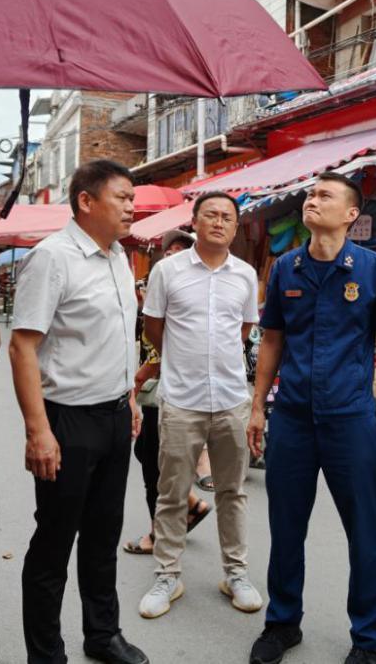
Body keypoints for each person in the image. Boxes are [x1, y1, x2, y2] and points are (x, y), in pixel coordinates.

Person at [247, 172, 376, 664]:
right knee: (286, 525)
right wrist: (257, 407)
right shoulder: (286, 268)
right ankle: (282, 622)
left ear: (351, 214)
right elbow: (271, 340)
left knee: (367, 533)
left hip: (350, 417)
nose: (311, 201)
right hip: (291, 417)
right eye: (309, 195)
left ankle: (370, 639)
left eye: (323, 196)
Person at [10, 159, 148, 664]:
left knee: (103, 536)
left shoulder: (117, 257)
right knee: (53, 544)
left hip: (114, 418)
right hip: (67, 421)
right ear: (86, 201)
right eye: (123, 197)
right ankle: (46, 654)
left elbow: (116, 340)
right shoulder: (53, 258)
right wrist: (38, 432)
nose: (132, 207)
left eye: (134, 199)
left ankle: (102, 634)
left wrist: (130, 400)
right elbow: (22, 348)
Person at [139, 193, 262, 618]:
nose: (218, 221)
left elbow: (244, 330)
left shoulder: (245, 275)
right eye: (210, 214)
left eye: (227, 217)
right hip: (182, 400)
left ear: (235, 227)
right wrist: (179, 362)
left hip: (230, 400)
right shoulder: (167, 271)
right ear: (194, 221)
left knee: (232, 491)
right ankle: (168, 574)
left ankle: (236, 573)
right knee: (171, 491)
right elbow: (154, 327)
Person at [124, 229, 211, 557]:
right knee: (150, 455)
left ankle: (160, 533)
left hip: (175, 390)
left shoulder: (196, 292)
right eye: (169, 250)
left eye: (182, 249)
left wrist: (152, 367)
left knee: (156, 464)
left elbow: (186, 341)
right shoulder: (155, 285)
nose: (173, 254)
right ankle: (190, 505)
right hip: (152, 391)